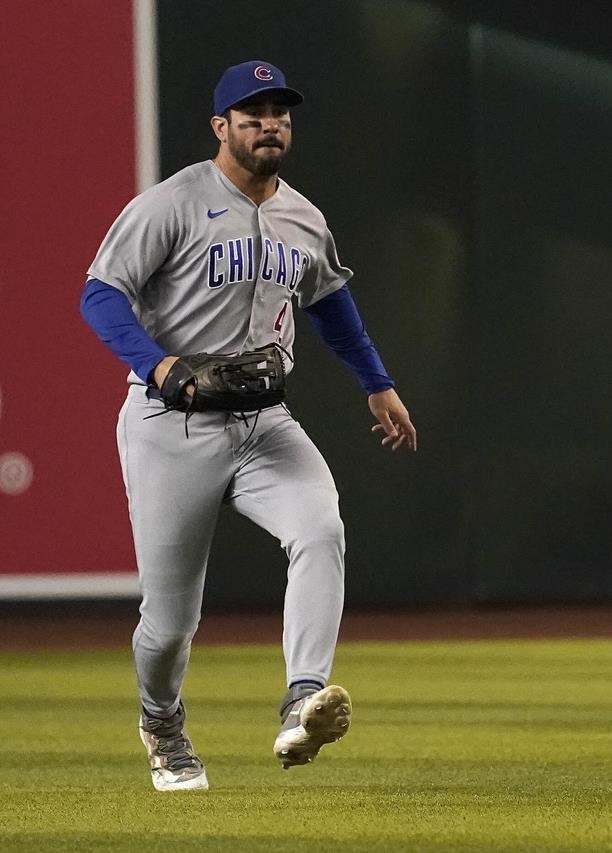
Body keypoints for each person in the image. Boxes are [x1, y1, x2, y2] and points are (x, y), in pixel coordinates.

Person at [79, 60, 417, 791]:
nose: (270, 124)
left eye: (280, 113)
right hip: (172, 423)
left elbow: (330, 302)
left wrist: (377, 383)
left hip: (266, 421)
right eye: (253, 112)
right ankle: (161, 721)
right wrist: (158, 362)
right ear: (220, 126)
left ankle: (303, 697)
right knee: (170, 622)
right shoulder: (172, 204)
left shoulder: (302, 215)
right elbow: (101, 294)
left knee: (321, 526)